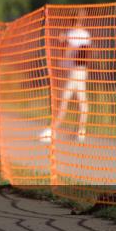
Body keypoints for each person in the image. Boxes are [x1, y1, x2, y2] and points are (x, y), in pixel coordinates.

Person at [41, 10, 92, 144]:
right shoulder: (82, 34)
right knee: (81, 102)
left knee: (65, 101)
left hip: (74, 72)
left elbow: (72, 52)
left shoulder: (73, 34)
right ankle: (80, 131)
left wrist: (64, 42)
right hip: (78, 71)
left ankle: (52, 130)